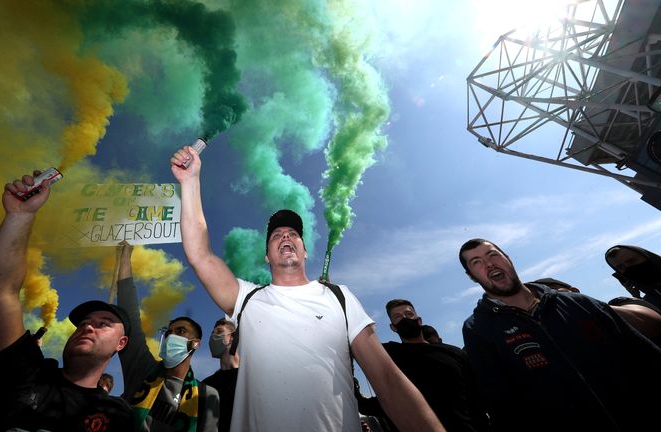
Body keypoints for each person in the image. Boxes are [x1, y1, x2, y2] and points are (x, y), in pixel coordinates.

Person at [170, 146, 445, 432]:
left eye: (293, 234)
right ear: (267, 255)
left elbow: (387, 380)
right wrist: (190, 182)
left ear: (304, 251)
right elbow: (200, 255)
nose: (285, 236)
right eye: (276, 235)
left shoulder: (340, 297)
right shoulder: (247, 298)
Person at [0, 170, 133, 431]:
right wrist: (20, 216)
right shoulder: (25, 374)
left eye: (104, 323)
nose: (88, 326)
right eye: (84, 322)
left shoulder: (117, 417)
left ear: (122, 343)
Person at [459, 238, 661, 432]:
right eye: (476, 262)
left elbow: (647, 356)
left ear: (508, 259)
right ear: (471, 276)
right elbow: (504, 408)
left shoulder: (579, 303)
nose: (489, 264)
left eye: (493, 255)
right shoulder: (478, 329)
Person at [115, 242, 219, 432]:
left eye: (180, 332)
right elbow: (128, 313)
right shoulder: (143, 370)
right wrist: (124, 256)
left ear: (195, 344)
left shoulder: (206, 395)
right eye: (168, 332)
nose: (171, 336)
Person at [357, 299, 489, 432]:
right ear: (393, 327)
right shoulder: (388, 356)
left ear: (419, 320)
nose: (404, 318)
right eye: (397, 317)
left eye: (409, 314)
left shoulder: (453, 353)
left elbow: (477, 399)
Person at [530, 277, 661, 347]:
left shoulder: (620, 302)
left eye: (550, 291)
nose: (546, 298)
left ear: (574, 291)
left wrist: (571, 303)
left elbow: (654, 323)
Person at [605, 245, 661, 319]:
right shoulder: (650, 303)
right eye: (621, 267)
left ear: (646, 256)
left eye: (631, 261)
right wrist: (637, 299)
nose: (629, 268)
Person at [201, 319, 239, 432]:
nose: (213, 337)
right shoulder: (206, 385)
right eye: (212, 334)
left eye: (219, 331)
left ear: (232, 337)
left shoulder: (249, 378)